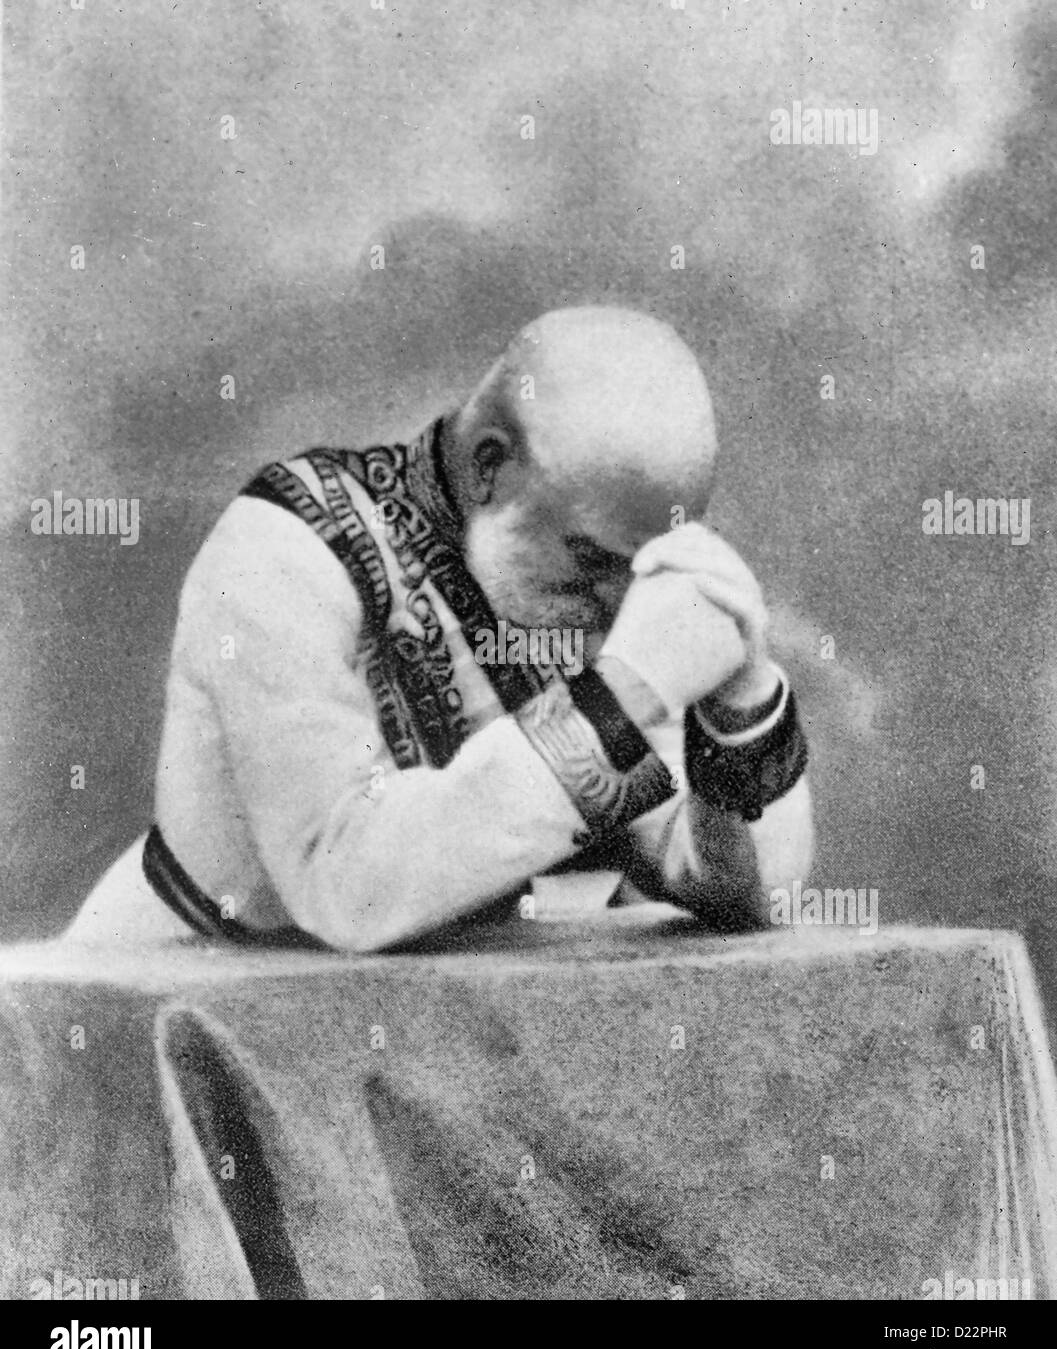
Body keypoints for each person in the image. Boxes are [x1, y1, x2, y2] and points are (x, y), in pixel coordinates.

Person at [66, 305, 813, 953]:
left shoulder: (562, 579)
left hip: (439, 1013)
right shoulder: (281, 547)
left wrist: (740, 704)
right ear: (490, 464)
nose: (617, 602)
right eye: (590, 558)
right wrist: (620, 696)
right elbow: (344, 888)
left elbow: (748, 899)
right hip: (186, 992)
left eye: (639, 566)